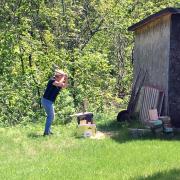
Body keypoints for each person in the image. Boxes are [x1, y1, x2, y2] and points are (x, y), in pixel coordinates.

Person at [41, 69, 68, 136]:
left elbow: (64, 86)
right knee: (51, 116)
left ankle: (48, 131)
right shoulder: (52, 80)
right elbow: (59, 84)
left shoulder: (59, 82)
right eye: (61, 77)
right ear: (57, 76)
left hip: (49, 101)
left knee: (51, 116)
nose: (63, 79)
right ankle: (46, 132)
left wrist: (66, 78)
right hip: (46, 100)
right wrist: (63, 77)